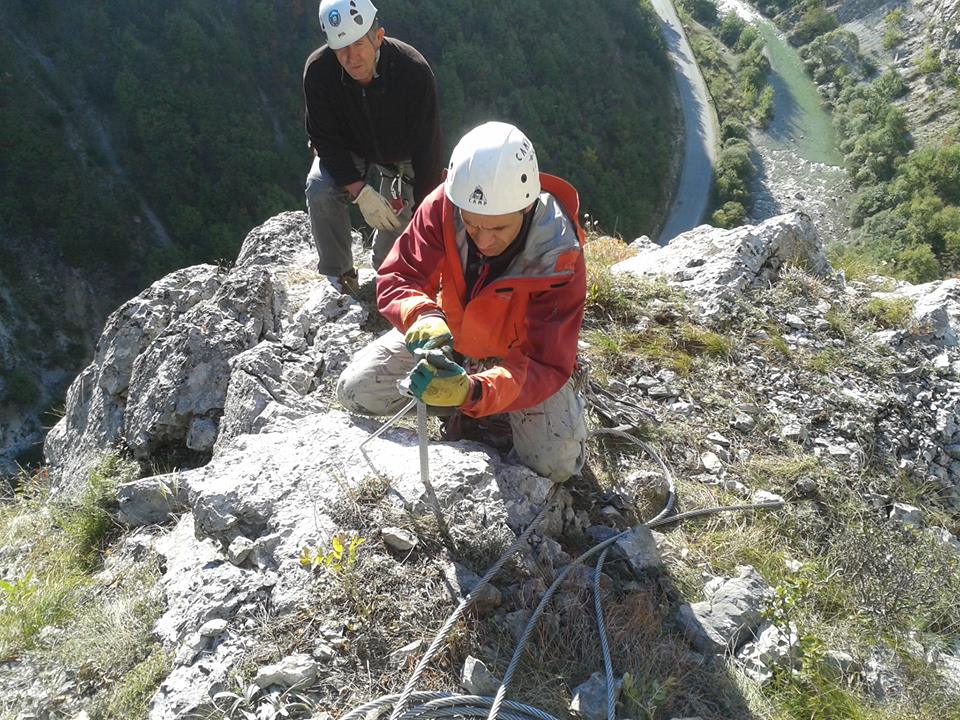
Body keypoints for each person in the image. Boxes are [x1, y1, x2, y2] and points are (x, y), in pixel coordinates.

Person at [338, 122, 588, 483]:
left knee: (556, 464)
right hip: (449, 338)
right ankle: (459, 403)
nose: (483, 240)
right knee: (356, 391)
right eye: (472, 225)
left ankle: (477, 407)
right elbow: (400, 274)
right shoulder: (444, 207)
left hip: (517, 362)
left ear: (527, 207)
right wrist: (422, 316)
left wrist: (475, 390)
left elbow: (543, 361)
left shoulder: (558, 255)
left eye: (498, 228)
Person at [303, 0, 442, 293]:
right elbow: (324, 139)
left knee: (387, 260)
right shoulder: (319, 71)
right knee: (320, 188)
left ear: (378, 36)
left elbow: (427, 149)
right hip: (349, 147)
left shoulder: (412, 71)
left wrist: (424, 211)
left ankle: (389, 274)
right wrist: (360, 191)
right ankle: (339, 276)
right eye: (341, 49)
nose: (351, 58)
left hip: (402, 154)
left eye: (359, 44)